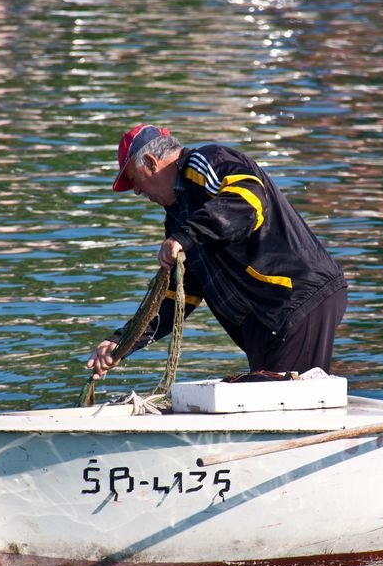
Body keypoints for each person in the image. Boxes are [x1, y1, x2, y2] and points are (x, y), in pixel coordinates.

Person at [86, 124, 347, 380]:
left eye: (134, 179)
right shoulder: (177, 219)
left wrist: (185, 236)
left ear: (152, 162)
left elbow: (247, 203)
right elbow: (178, 297)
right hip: (262, 319)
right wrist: (122, 342)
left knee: (280, 402)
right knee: (268, 401)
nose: (138, 191)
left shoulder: (207, 160)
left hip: (296, 297)